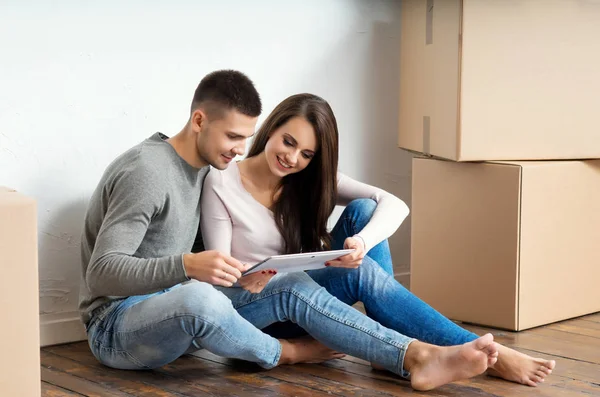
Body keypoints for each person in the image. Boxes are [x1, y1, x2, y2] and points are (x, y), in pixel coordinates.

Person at [80, 69, 500, 392]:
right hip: (116, 327)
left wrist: (239, 271)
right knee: (198, 297)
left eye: (246, 138)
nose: (240, 150)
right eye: (232, 136)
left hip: (178, 311)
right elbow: (102, 274)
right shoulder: (150, 173)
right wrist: (190, 265)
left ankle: (413, 355)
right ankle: (289, 354)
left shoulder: (203, 168)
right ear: (198, 120)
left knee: (291, 282)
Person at [200, 93, 556, 388]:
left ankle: (391, 349)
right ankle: (454, 354)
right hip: (256, 304)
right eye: (288, 142)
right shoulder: (223, 181)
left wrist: (361, 243)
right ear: (271, 129)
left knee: (363, 210)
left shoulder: (305, 179)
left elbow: (393, 205)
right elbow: (220, 274)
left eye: (306, 154)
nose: (292, 158)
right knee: (362, 273)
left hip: (301, 293)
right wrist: (250, 275)